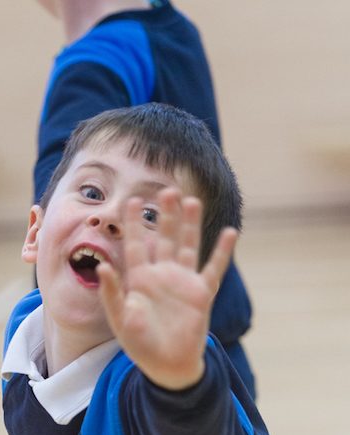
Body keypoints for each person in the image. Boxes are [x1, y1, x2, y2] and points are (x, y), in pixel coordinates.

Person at [1, 103, 336, 435]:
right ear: (34, 232)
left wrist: (181, 381)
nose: (112, 216)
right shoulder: (23, 337)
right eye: (93, 191)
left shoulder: (156, 388)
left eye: (152, 217)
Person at [34, 0, 256, 398]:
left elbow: (58, 218)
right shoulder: (175, 29)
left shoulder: (96, 62)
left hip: (146, 387)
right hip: (213, 361)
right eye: (92, 193)